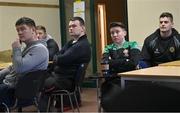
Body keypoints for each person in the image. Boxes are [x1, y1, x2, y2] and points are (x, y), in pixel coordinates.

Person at [39, 16, 91, 111]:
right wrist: (58, 57)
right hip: (58, 77)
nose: (71, 28)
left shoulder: (82, 45)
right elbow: (57, 55)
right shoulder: (72, 42)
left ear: (83, 28)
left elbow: (60, 59)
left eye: (74, 26)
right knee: (38, 79)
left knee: (39, 84)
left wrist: (58, 58)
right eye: (69, 26)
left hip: (66, 81)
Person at [0, 17, 49, 107]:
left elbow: (19, 68)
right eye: (18, 30)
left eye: (23, 29)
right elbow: (12, 67)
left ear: (33, 30)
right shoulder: (27, 47)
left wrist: (16, 49)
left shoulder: (39, 49)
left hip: (16, 92)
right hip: (9, 85)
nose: (19, 32)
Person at [101, 22, 141, 111]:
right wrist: (125, 61)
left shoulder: (133, 44)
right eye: (112, 33)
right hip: (113, 79)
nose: (114, 35)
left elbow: (133, 63)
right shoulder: (108, 47)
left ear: (124, 33)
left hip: (130, 79)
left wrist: (113, 62)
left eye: (117, 32)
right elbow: (105, 63)